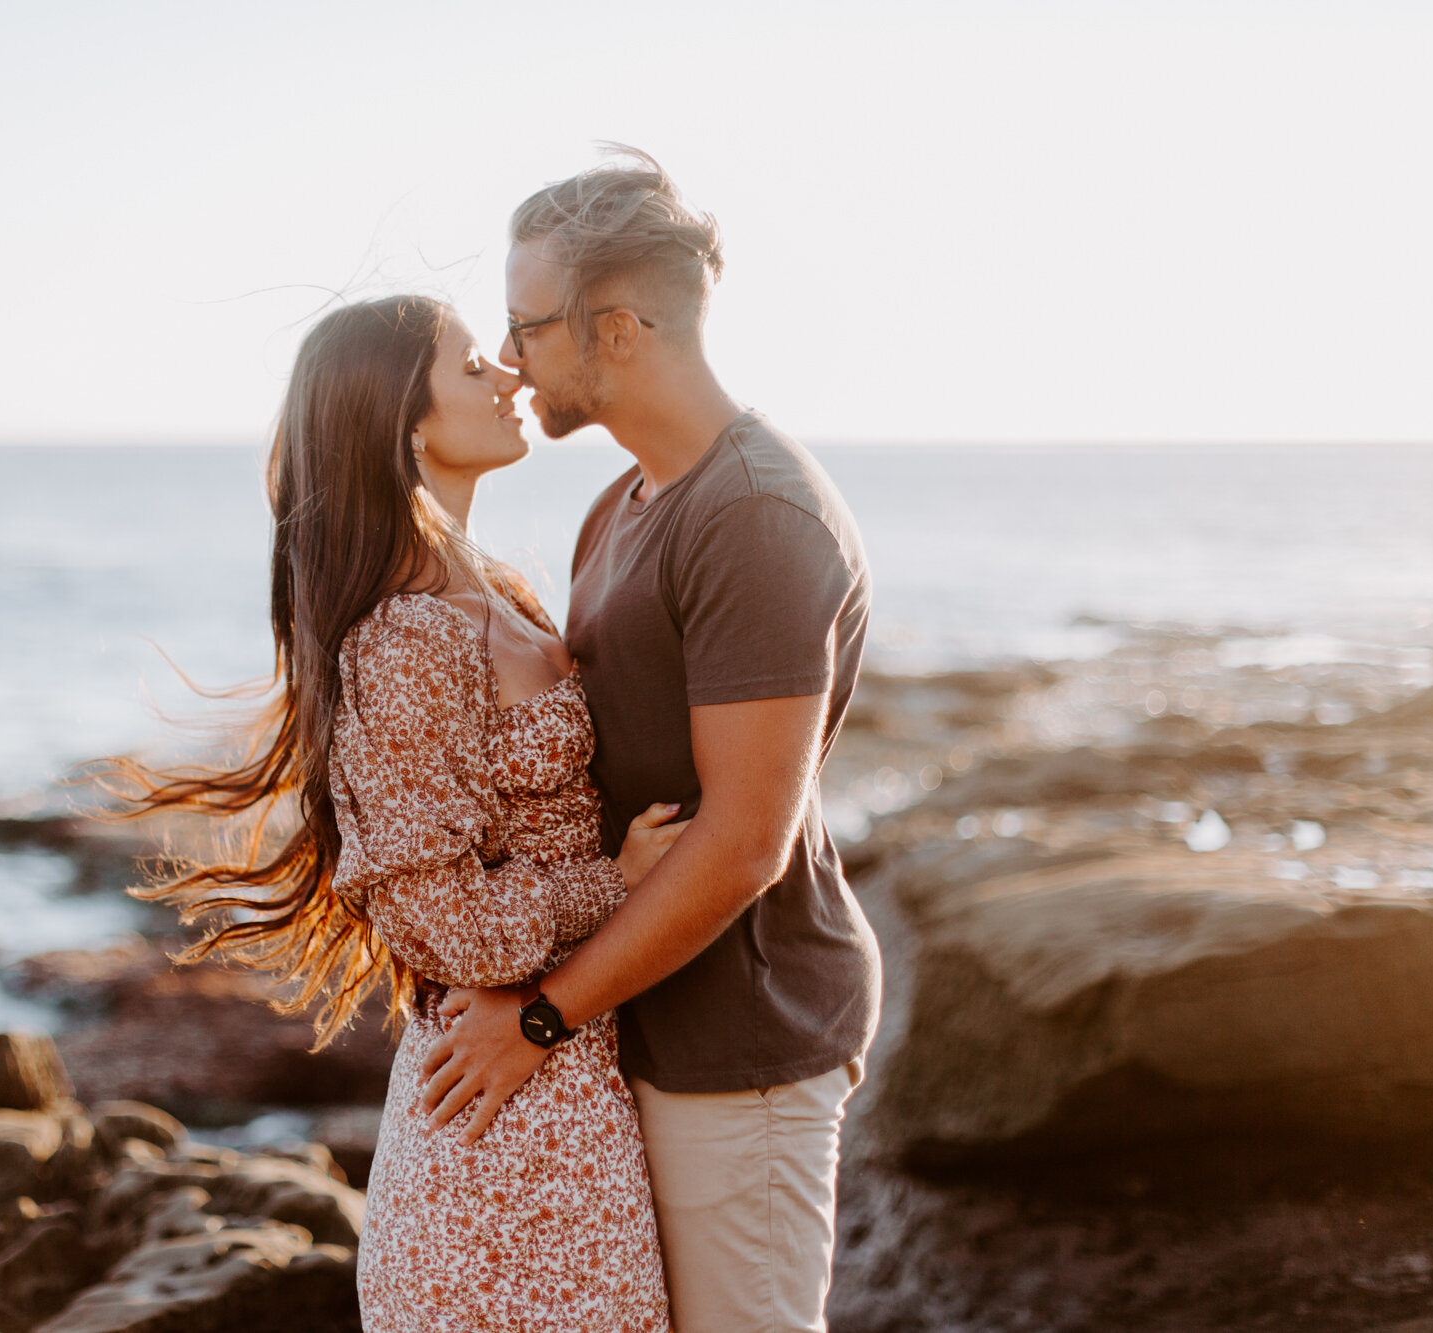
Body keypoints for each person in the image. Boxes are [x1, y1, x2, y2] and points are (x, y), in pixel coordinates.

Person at [89, 295, 676, 1332]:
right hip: (499, 1132)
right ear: (407, 422)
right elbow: (441, 923)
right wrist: (617, 882)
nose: (504, 371)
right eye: (467, 366)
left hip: (557, 1091)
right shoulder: (406, 635)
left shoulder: (491, 589)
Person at [416, 148, 882, 1333]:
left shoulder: (754, 518)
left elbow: (739, 843)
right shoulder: (621, 505)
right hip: (642, 1024)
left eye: (525, 328)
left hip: (745, 1043)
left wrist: (536, 1019)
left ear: (615, 328)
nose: (508, 363)